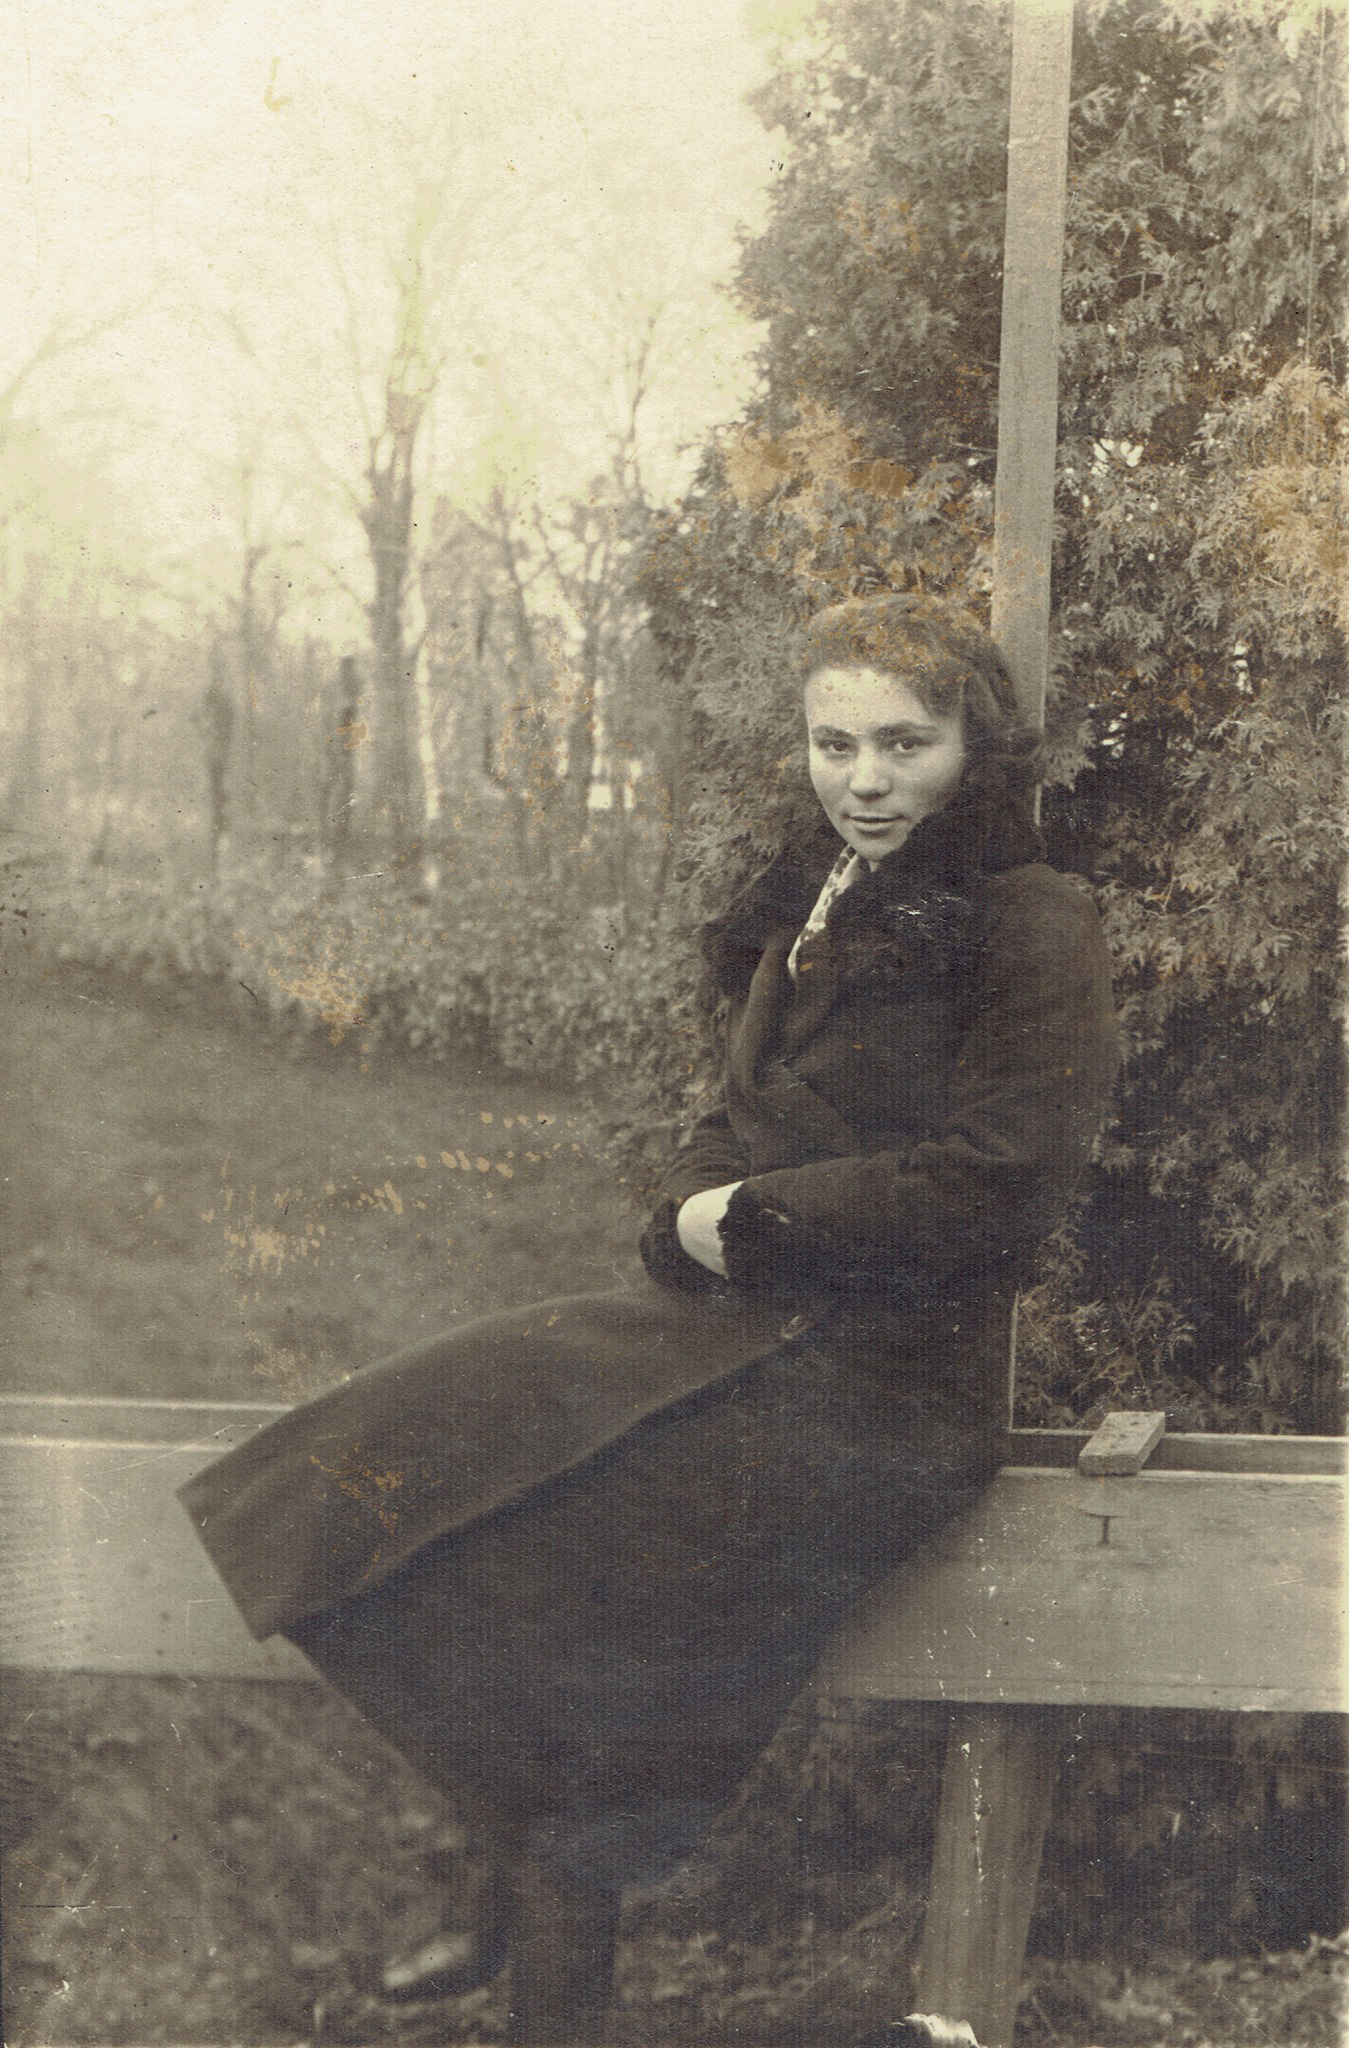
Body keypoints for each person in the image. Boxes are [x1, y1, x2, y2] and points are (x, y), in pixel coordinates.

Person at [179, 594, 1120, 2041]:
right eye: (834, 744)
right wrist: (683, 1208)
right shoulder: (808, 900)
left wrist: (745, 1221)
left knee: (601, 1705)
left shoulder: (1029, 919)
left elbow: (1003, 1182)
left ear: (972, 750)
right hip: (724, 1337)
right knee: (335, 1478)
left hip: (880, 1392)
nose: (865, 780)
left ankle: (525, 1879)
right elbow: (726, 1117)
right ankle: (500, 1838)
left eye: (904, 745)